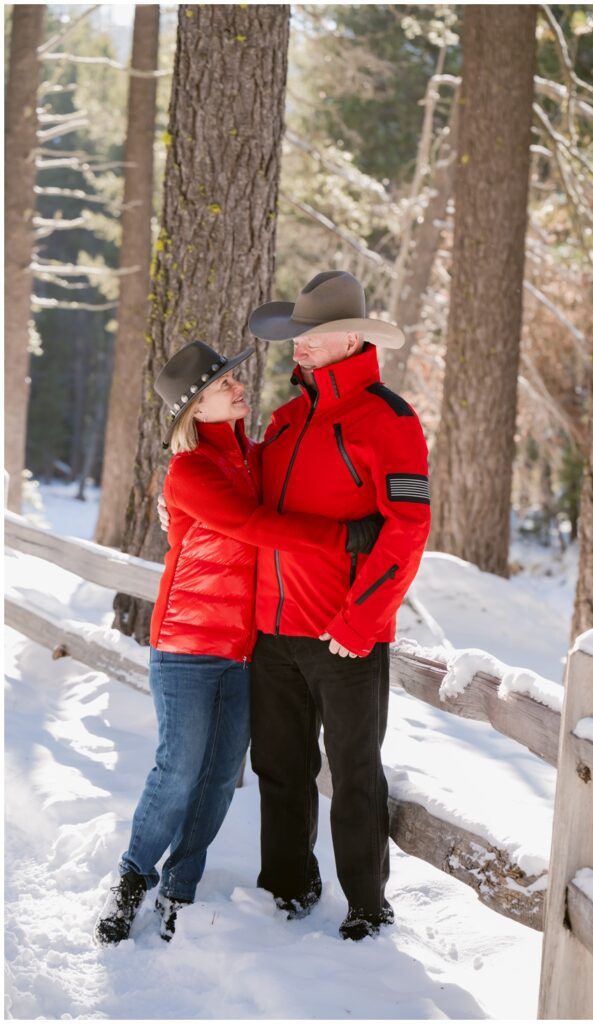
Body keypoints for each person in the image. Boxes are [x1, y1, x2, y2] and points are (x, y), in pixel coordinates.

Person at [95, 340, 377, 946]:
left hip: (244, 650)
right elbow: (256, 526)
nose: (237, 387)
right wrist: (345, 537)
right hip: (187, 646)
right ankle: (131, 880)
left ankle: (180, 889)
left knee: (221, 776)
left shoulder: (253, 458)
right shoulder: (190, 470)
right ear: (195, 411)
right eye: (220, 386)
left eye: (232, 378)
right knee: (178, 770)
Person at [247, 270, 431, 941]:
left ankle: (366, 903)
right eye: (297, 336)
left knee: (354, 771)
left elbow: (407, 528)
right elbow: (257, 513)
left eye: (314, 338)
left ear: (351, 338)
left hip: (343, 634)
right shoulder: (287, 419)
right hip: (271, 629)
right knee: (279, 765)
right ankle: (287, 885)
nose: (299, 347)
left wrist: (360, 621)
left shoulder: (387, 419)